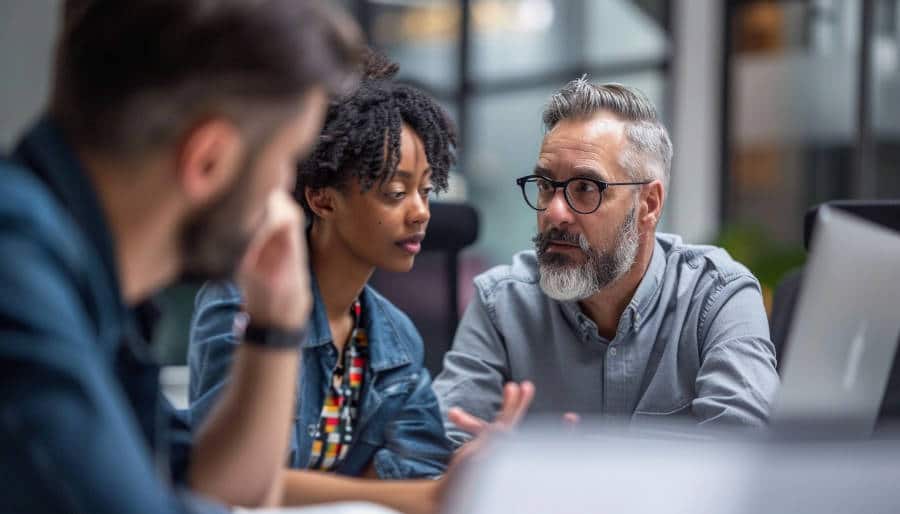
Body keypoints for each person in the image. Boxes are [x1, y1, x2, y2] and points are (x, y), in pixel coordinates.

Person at [0, 1, 360, 512]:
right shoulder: (16, 275)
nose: (286, 193)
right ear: (209, 160)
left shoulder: (90, 286)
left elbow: (214, 490)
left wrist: (277, 323)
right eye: (287, 159)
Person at [433, 79, 780, 447]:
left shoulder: (716, 296)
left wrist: (568, 472)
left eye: (586, 188)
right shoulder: (501, 304)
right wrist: (476, 463)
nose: (554, 213)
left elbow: (748, 453)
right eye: (546, 186)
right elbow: (436, 452)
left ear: (648, 205)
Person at [188, 51, 459, 513]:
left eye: (426, 190)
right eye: (396, 192)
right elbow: (236, 482)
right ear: (322, 199)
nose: (421, 212)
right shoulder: (244, 302)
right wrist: (413, 495)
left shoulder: (395, 337)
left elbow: (417, 466)